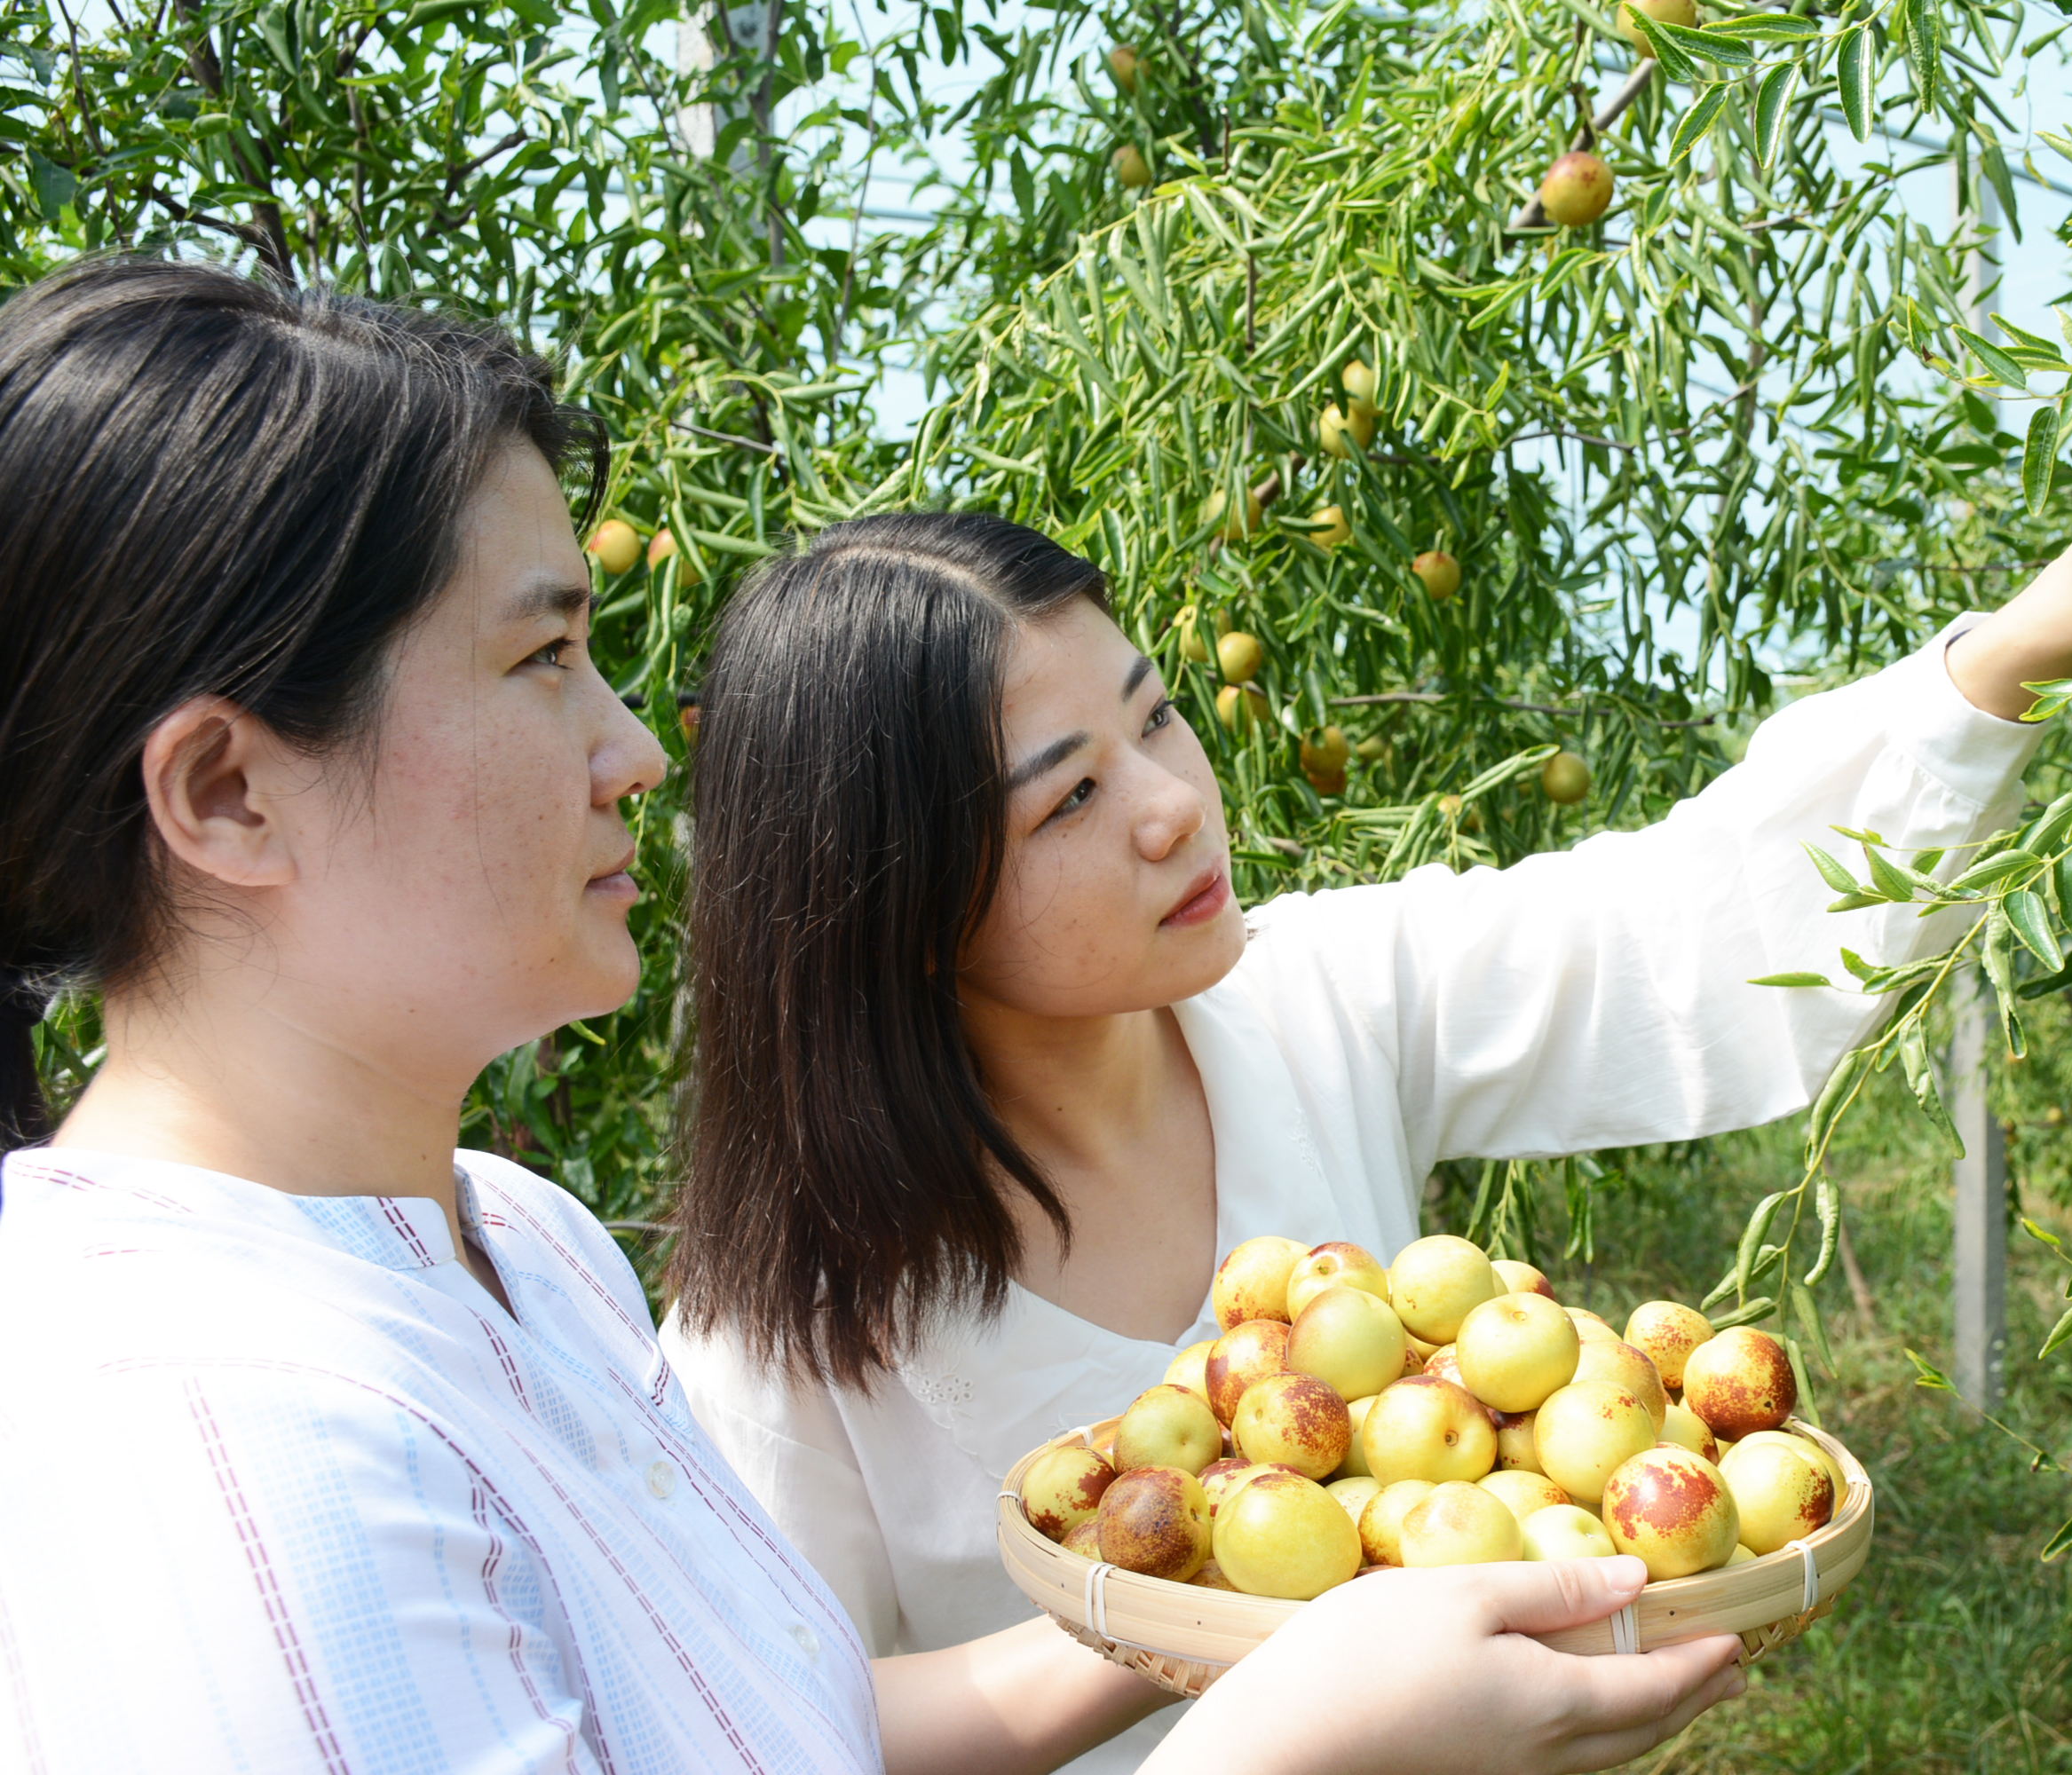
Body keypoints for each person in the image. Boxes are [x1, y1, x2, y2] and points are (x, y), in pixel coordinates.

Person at [0, 254, 1751, 1775]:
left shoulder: (509, 1241)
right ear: (229, 794)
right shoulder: (216, 1452)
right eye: (543, 663)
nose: (631, 751)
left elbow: (769, 1725)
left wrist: (1254, 1586)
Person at [660, 344, 2072, 1769]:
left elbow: (1692, 927)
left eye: (1155, 713)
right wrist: (1205, 1619)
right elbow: (743, 1726)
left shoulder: (1310, 1002)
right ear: (888, 904)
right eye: (1072, 797)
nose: (1176, 805)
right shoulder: (789, 1304)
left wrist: (2051, 619)